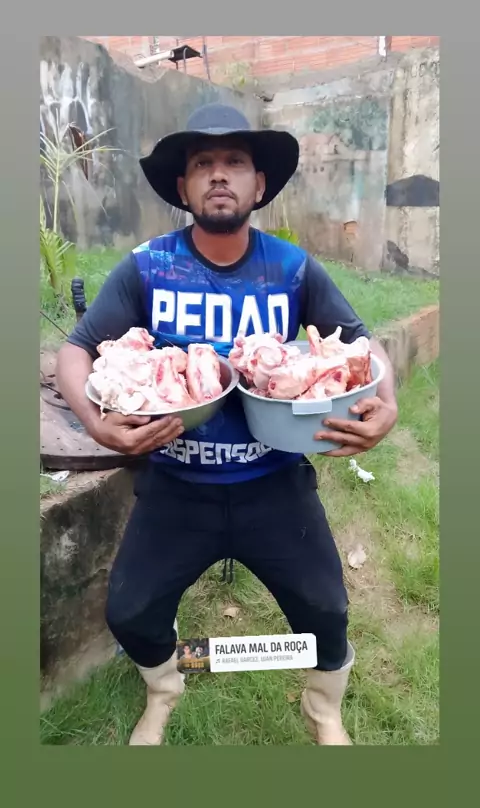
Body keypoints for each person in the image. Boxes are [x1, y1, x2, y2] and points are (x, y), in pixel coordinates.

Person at [56, 103, 398, 747]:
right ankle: (165, 688)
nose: (219, 174)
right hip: (176, 485)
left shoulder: (292, 268)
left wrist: (389, 405)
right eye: (202, 164)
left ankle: (323, 709)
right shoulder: (147, 267)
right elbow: (76, 350)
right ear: (182, 187)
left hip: (274, 481)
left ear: (258, 185)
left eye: (235, 162)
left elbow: (361, 341)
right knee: (129, 611)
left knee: (327, 608)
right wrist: (98, 426)